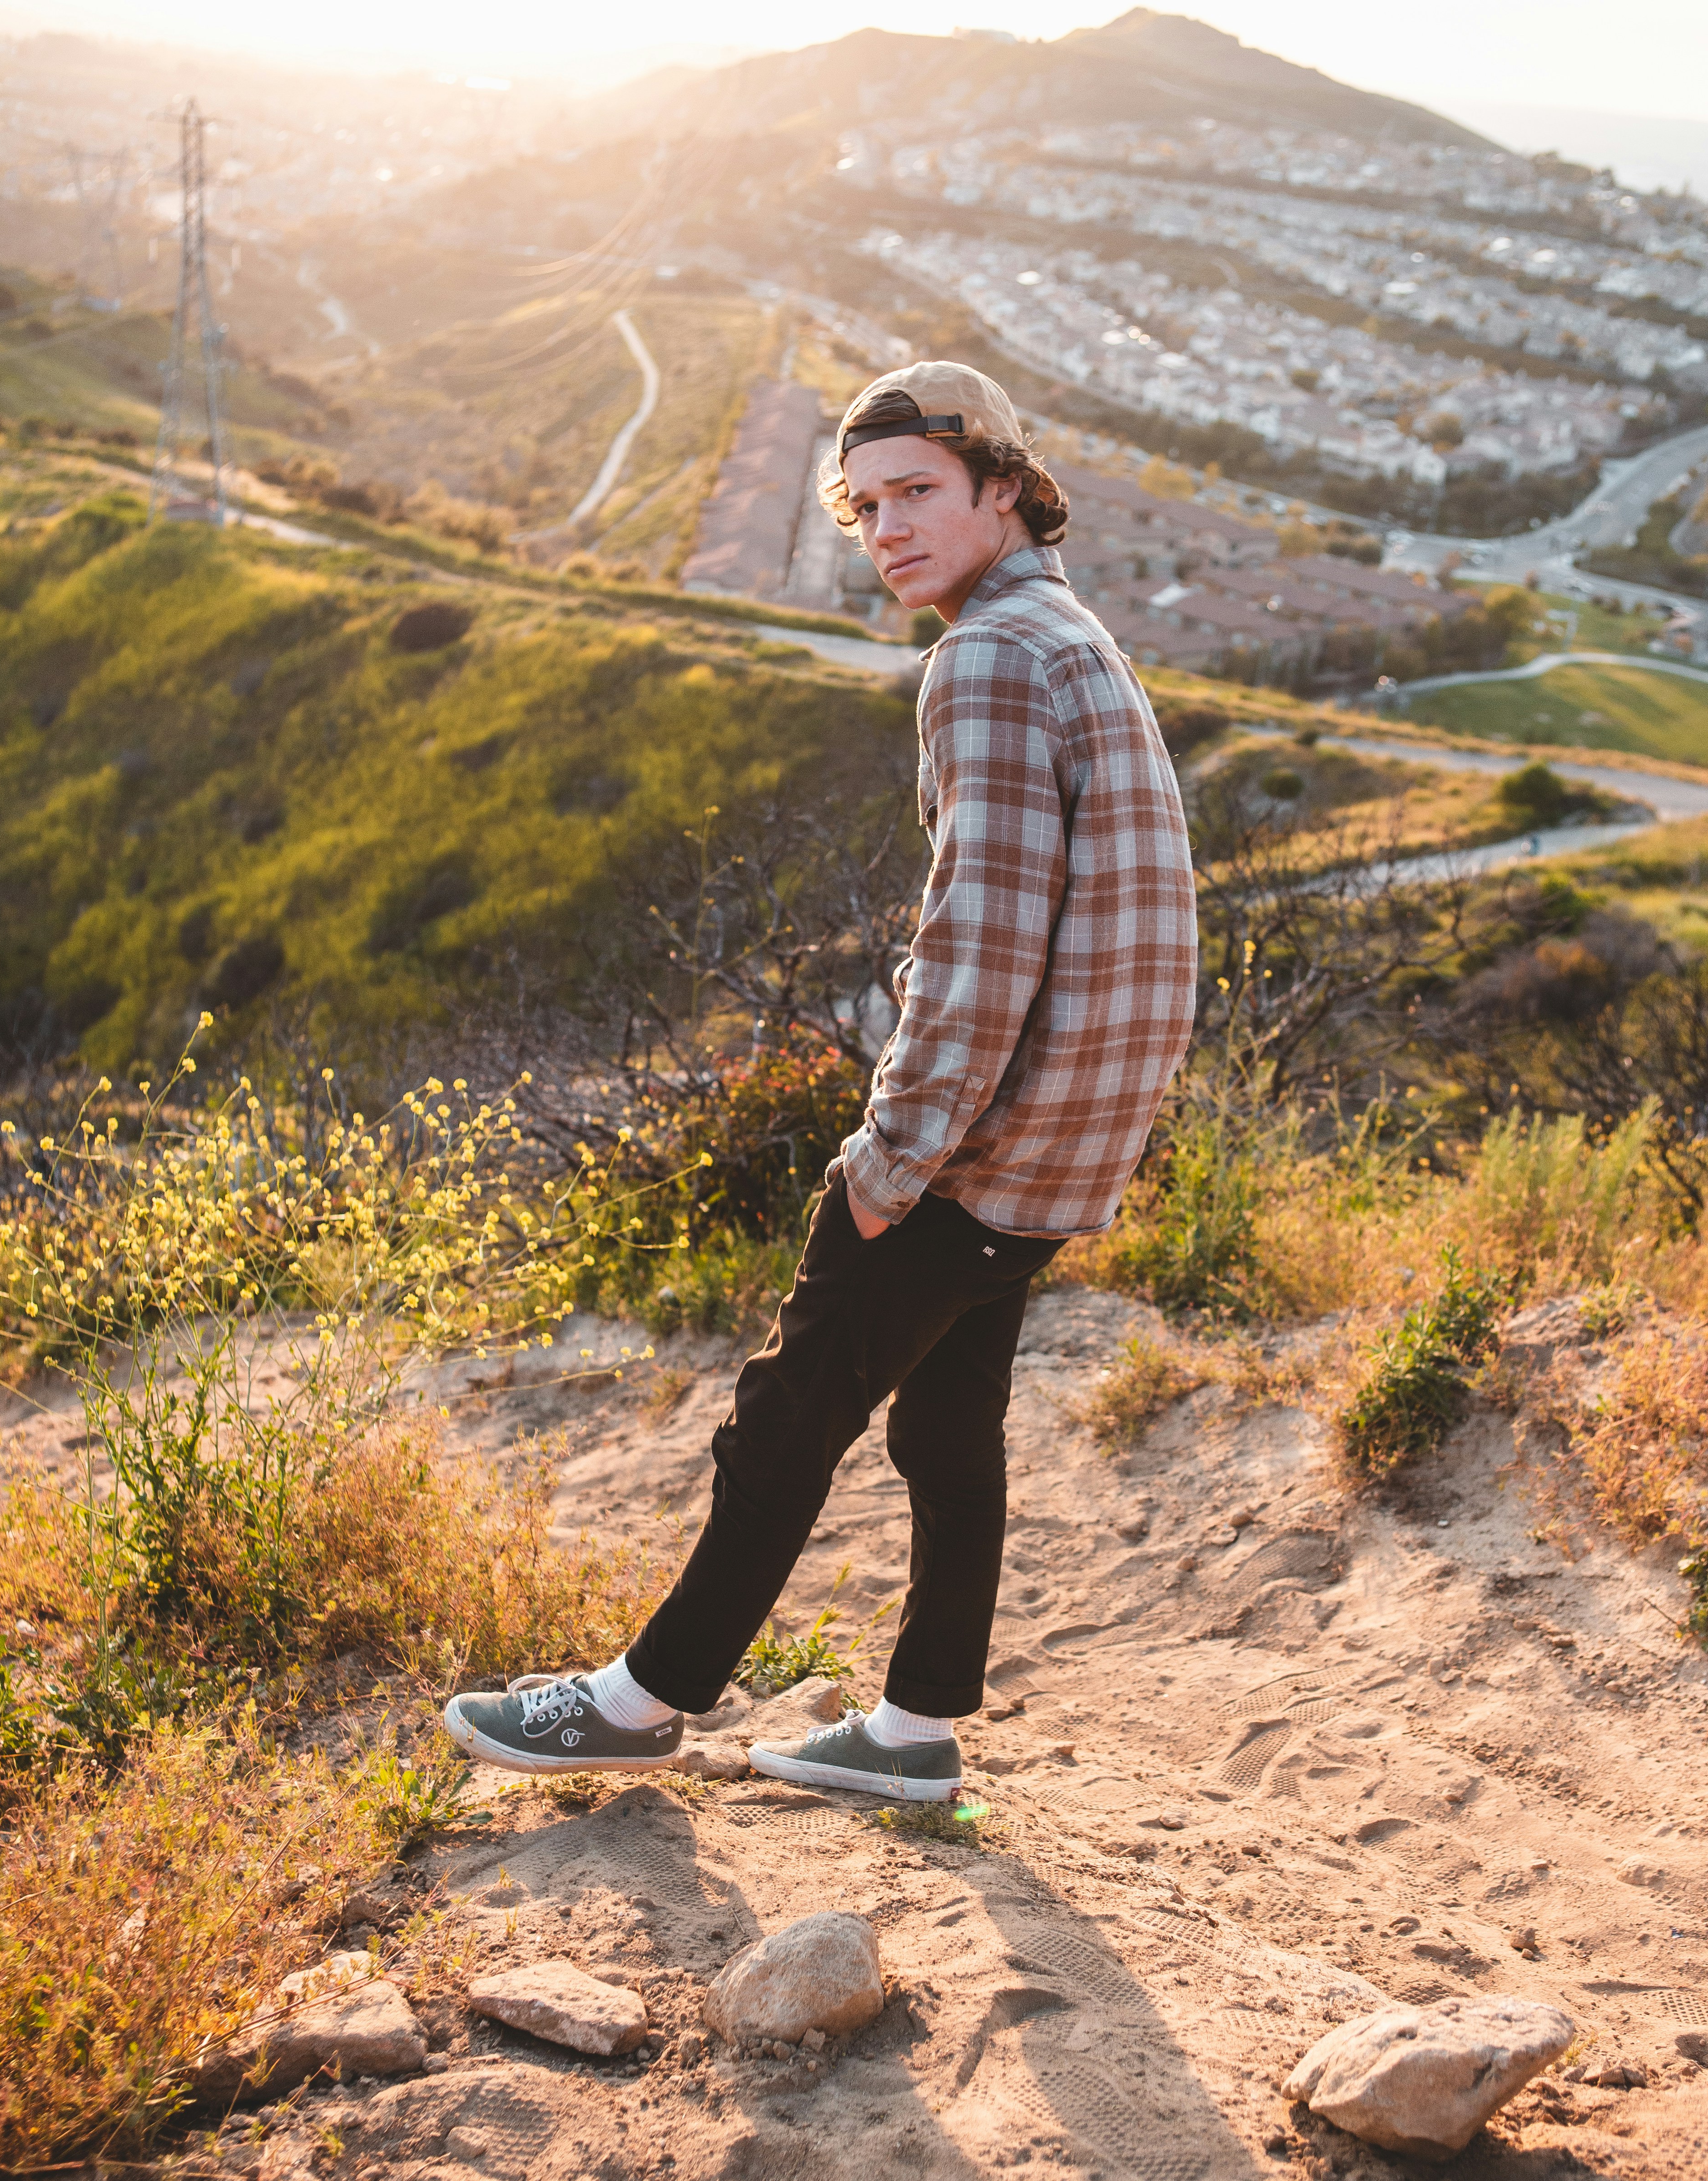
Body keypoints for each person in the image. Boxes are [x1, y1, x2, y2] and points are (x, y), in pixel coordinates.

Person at [444, 361, 1197, 1800]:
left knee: (790, 1412)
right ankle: (914, 1733)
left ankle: (641, 1699)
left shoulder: (983, 658)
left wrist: (892, 1155)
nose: (890, 530)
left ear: (1001, 485)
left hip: (981, 1142)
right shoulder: (1066, 629)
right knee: (945, 1419)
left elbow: (980, 943)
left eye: (917, 492)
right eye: (863, 509)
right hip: (1068, 1143)